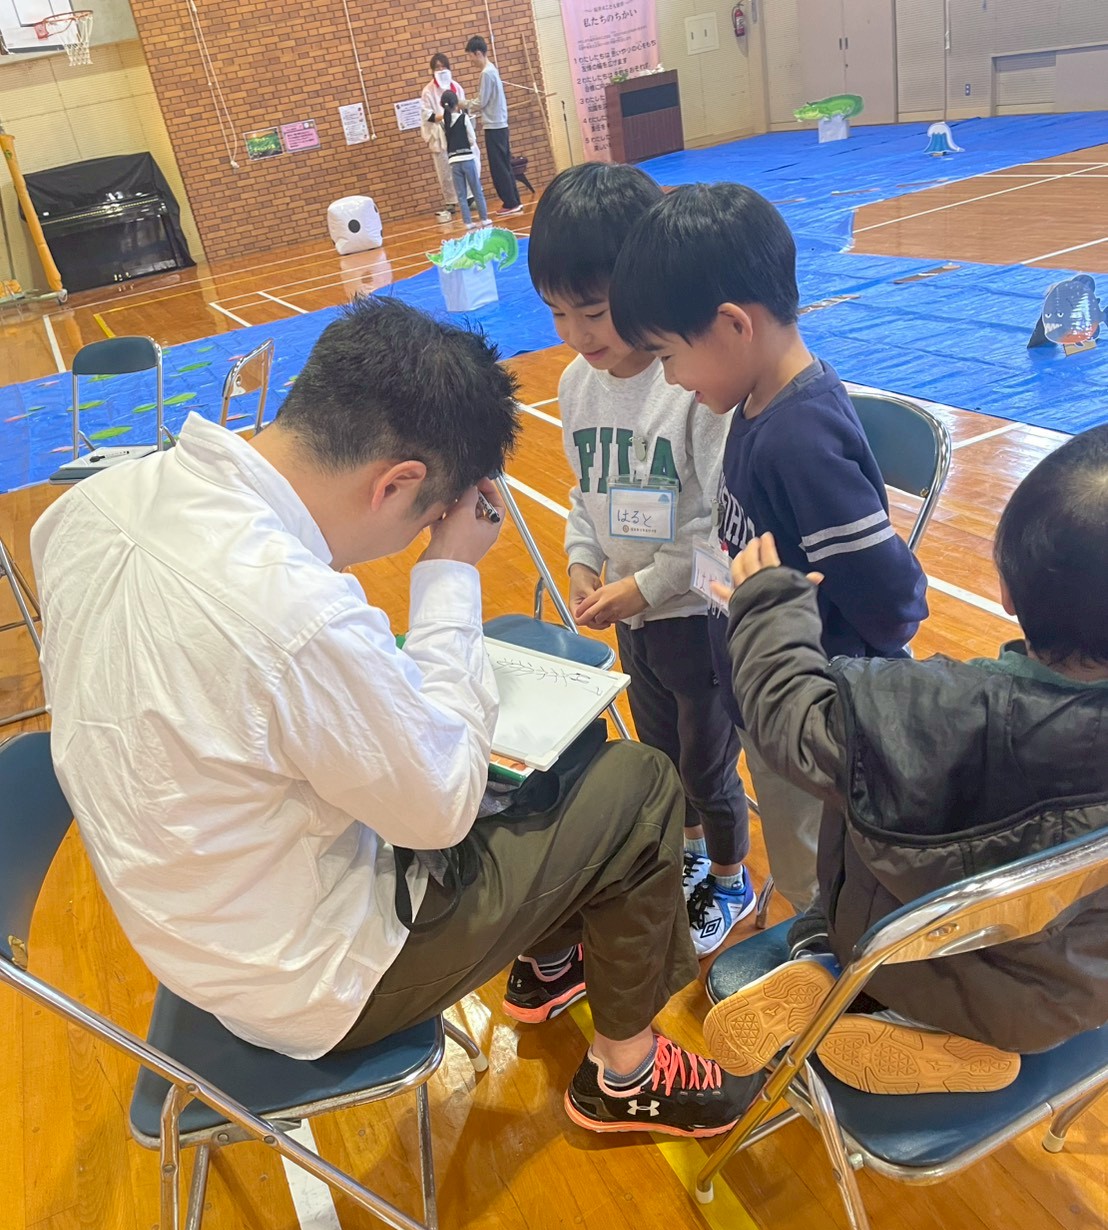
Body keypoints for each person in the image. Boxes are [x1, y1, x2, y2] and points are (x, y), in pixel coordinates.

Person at [30, 296, 758, 1140]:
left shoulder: (90, 505)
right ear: (398, 483)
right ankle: (624, 1073)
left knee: (568, 747)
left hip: (189, 920)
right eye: (426, 517)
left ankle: (550, 963)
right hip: (308, 978)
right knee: (641, 784)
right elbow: (441, 809)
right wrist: (450, 568)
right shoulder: (294, 613)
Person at [701, 427, 1108, 1094]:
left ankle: (839, 980)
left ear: (1007, 588)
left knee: (840, 896)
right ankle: (945, 1031)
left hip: (898, 961)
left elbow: (791, 720)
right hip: (1068, 995)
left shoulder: (929, 708)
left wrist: (769, 607)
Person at [609, 183, 929, 936]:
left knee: (820, 878)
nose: (670, 379)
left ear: (732, 325)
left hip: (818, 716)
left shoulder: (800, 439)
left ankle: (836, 969)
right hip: (771, 701)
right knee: (803, 866)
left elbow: (891, 601)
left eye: (669, 355)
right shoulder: (753, 407)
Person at [521, 161, 754, 970]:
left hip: (695, 617)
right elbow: (586, 492)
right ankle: (688, 854)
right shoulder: (576, 385)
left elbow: (720, 528)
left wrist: (645, 586)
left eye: (593, 311)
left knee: (707, 763)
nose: (577, 334)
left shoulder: (691, 383)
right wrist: (583, 563)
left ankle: (731, 876)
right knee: (660, 756)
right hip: (635, 619)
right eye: (557, 313)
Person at [464, 34, 523, 217]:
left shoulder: (486, 73)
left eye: (470, 56)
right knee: (504, 164)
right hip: (499, 125)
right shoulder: (492, 70)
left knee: (498, 167)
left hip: (494, 126)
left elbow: (481, 101)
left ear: (478, 53)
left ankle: (510, 202)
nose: (470, 60)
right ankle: (514, 200)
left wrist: (464, 104)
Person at [420, 52, 477, 225]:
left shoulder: (456, 87)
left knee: (466, 164)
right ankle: (450, 201)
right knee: (445, 168)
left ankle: (470, 197)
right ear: (432, 70)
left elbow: (464, 107)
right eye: (437, 67)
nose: (441, 70)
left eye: (443, 66)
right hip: (440, 132)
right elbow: (427, 115)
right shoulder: (428, 91)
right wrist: (445, 117)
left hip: (458, 131)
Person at [437, 90, 491, 230]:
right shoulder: (464, 118)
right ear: (456, 105)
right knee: (476, 190)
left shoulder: (442, 124)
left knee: (461, 195)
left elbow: (444, 146)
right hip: (467, 158)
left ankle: (467, 222)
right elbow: (472, 139)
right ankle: (484, 219)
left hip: (453, 162)